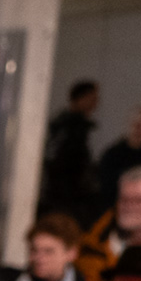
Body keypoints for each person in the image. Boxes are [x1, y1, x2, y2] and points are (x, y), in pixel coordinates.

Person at [42, 80, 102, 224]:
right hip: (65, 200)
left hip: (67, 198)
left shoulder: (75, 127)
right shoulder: (68, 127)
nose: (96, 103)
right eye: (93, 98)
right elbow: (58, 162)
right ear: (82, 98)